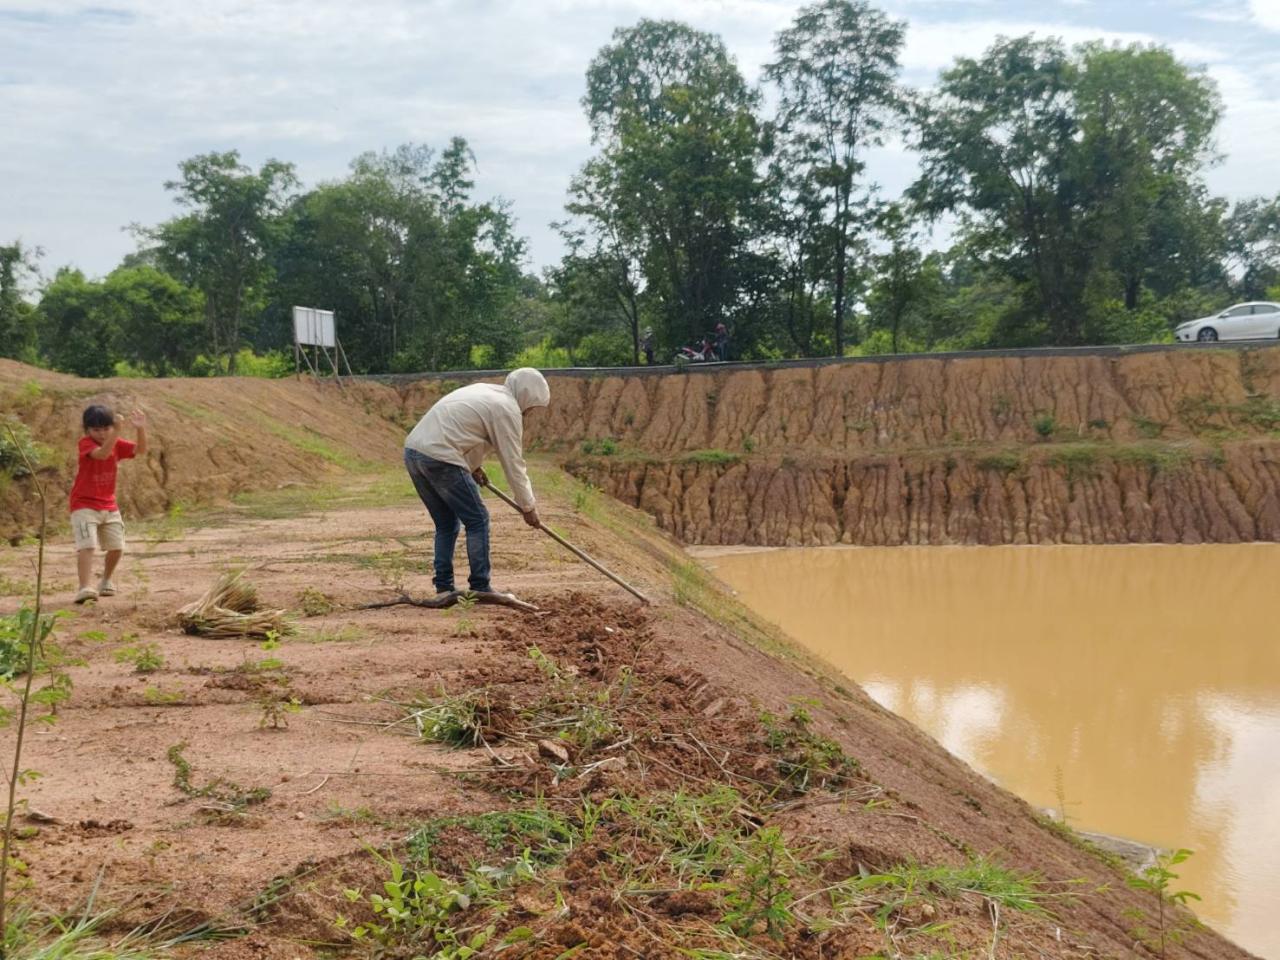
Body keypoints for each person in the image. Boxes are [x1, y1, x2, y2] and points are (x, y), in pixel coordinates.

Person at [403, 368, 550, 596]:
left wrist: (472, 467)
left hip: (414, 453)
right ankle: (480, 586)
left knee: (446, 523)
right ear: (526, 395)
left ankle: (443, 587)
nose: (530, 412)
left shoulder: (485, 392)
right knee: (478, 519)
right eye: (532, 406)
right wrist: (528, 506)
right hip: (441, 458)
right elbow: (513, 463)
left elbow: (462, 429)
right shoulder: (507, 409)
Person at [70, 404, 148, 604]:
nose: (103, 434)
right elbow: (102, 454)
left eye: (106, 428)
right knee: (87, 546)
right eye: (97, 430)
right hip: (84, 504)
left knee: (117, 546)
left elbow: (141, 450)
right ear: (87, 430)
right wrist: (116, 431)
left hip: (108, 504)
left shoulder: (116, 441)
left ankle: (105, 581)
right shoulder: (85, 443)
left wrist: (140, 428)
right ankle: (84, 587)